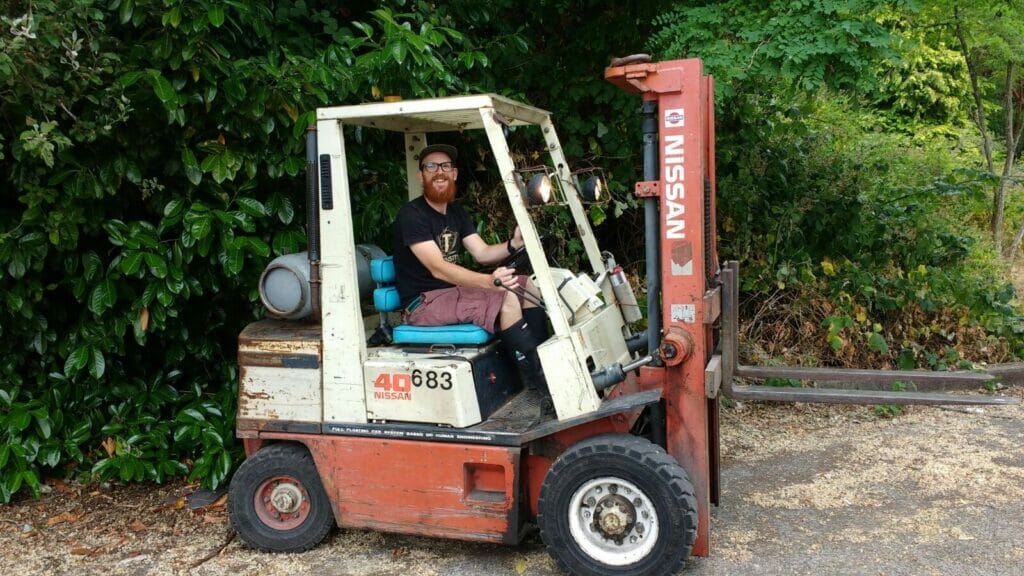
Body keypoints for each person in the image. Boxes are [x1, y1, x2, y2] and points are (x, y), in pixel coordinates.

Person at [392, 143, 550, 403]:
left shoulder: (456, 211)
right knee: (507, 297)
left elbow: (482, 253)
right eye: (430, 166)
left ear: (454, 173)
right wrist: (489, 282)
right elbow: (438, 268)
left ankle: (545, 364)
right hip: (424, 302)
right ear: (421, 176)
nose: (438, 172)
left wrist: (514, 245)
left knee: (526, 285)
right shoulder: (412, 215)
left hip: (451, 294)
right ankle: (538, 383)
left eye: (444, 166)